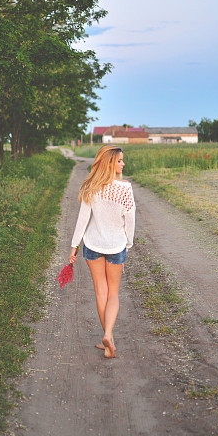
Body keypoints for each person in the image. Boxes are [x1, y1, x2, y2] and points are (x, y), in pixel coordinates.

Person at [69, 145, 136, 359]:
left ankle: (108, 341)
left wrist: (74, 246)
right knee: (113, 293)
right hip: (116, 246)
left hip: (92, 245)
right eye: (119, 161)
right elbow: (130, 220)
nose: (123, 164)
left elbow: (82, 219)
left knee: (101, 291)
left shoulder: (92, 185)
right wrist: (128, 242)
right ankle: (108, 334)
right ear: (109, 163)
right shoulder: (125, 188)